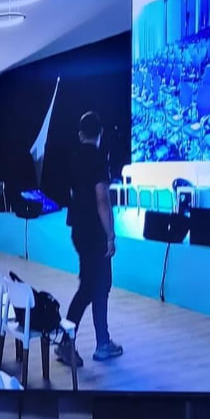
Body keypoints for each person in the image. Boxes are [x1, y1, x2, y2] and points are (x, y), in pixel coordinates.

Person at [58, 111, 123, 367]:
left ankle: (101, 342)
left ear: (80, 134)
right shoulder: (97, 159)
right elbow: (102, 200)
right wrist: (110, 235)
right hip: (95, 232)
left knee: (96, 286)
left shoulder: (73, 157)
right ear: (100, 133)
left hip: (79, 229)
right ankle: (68, 341)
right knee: (92, 287)